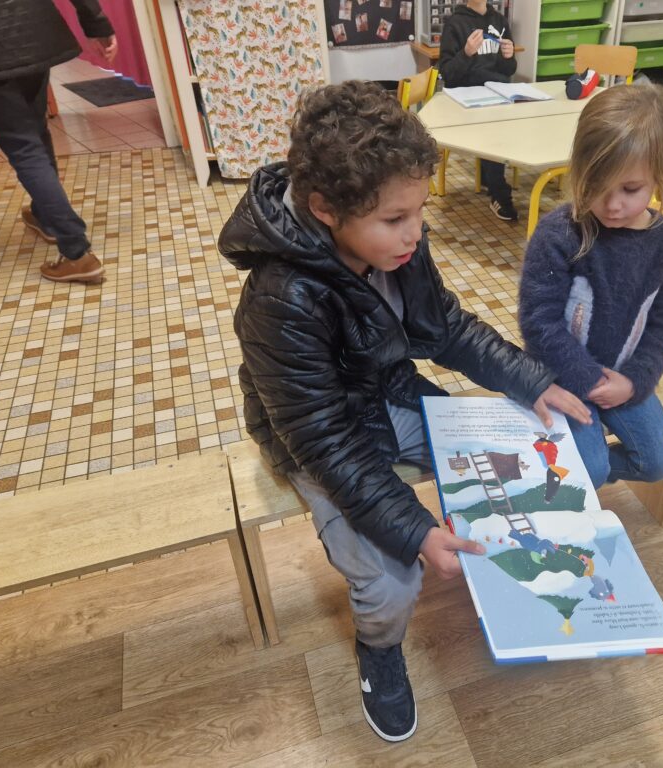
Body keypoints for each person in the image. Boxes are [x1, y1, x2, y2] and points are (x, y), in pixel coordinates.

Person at [217, 80, 590, 743]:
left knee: (508, 455)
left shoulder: (397, 243)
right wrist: (415, 530)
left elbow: (444, 326)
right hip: (313, 436)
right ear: (325, 209)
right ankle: (380, 649)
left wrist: (530, 381)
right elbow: (325, 441)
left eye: (419, 211)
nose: (415, 233)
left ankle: (526, 580)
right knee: (392, 584)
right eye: (395, 219)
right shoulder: (283, 299)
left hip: (385, 392)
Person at [518, 85, 663, 491]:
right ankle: (563, 476)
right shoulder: (558, 233)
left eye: (630, 189)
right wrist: (589, 379)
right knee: (589, 470)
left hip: (623, 376)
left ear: (660, 175)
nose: (612, 205)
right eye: (596, 185)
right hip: (559, 374)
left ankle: (559, 475)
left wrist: (635, 381)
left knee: (660, 462)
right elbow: (539, 322)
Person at [0, 0, 118, 283]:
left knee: (24, 145)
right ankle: (45, 218)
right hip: (32, 27)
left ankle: (77, 253)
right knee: (36, 131)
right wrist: (96, 22)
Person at [438, 0, 519, 221]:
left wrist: (509, 57)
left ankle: (488, 175)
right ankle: (499, 192)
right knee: (491, 129)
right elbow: (448, 74)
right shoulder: (455, 23)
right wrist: (466, 53)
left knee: (517, 119)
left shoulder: (499, 21)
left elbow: (509, 70)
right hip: (467, 96)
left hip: (498, 92)